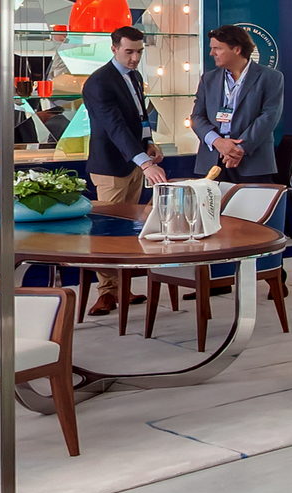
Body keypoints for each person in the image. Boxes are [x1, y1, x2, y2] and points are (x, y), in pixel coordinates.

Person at [82, 25, 166, 316]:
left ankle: (122, 288)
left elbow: (140, 115)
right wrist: (145, 162)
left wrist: (149, 143)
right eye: (129, 52)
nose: (135, 58)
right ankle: (106, 292)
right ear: (114, 48)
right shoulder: (99, 82)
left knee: (127, 231)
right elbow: (114, 126)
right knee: (107, 232)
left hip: (135, 161)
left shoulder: (135, 76)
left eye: (139, 52)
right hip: (111, 166)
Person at [191, 25, 284, 183]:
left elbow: (269, 117)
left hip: (253, 162)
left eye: (217, 48)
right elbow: (197, 117)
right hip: (213, 161)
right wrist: (217, 142)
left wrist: (239, 149)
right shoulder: (208, 79)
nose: (212, 53)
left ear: (237, 49)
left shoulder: (271, 77)